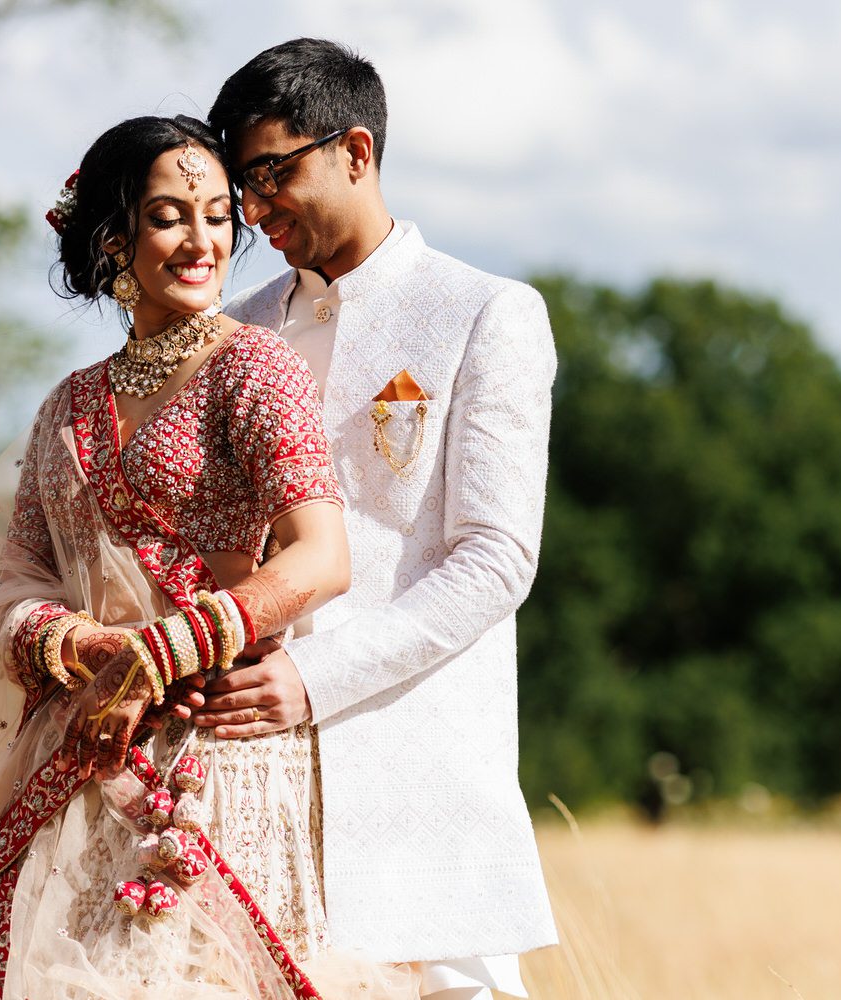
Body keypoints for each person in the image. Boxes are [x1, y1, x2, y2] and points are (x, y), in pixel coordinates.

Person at [0, 114, 417, 999]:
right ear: (113, 239)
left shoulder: (256, 370)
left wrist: (163, 650)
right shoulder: (69, 404)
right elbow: (13, 582)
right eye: (170, 216)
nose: (203, 241)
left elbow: (321, 556)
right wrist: (89, 646)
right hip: (83, 751)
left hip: (212, 757)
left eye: (218, 217)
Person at [199, 38, 559, 998]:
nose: (254, 211)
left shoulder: (484, 313)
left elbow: (495, 560)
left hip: (418, 791)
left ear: (355, 151)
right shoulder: (231, 331)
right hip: (243, 782)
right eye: (242, 185)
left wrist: (312, 678)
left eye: (273, 173)